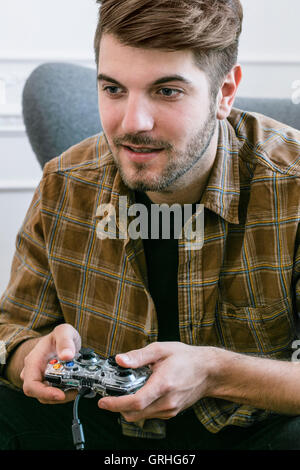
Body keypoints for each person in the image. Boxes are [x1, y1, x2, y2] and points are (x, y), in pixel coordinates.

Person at [0, 0, 300, 451]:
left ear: (225, 93)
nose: (132, 123)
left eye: (167, 91)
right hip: (102, 428)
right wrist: (31, 356)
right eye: (114, 90)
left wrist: (216, 372)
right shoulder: (65, 182)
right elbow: (13, 327)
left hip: (255, 431)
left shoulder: (292, 185)